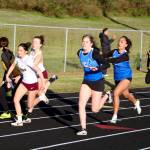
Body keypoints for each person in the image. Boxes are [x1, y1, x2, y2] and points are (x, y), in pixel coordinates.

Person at [76, 34, 110, 135]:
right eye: (83, 41)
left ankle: (107, 95)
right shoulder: (79, 52)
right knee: (81, 104)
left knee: (95, 109)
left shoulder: (94, 53)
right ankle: (83, 129)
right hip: (86, 81)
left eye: (87, 42)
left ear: (91, 44)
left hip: (98, 82)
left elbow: (106, 64)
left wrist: (97, 69)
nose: (84, 43)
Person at [104, 36, 142, 123]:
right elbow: (104, 55)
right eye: (119, 41)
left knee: (116, 93)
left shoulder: (125, 56)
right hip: (117, 79)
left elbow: (116, 60)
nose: (119, 43)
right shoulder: (114, 51)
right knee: (126, 95)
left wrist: (106, 60)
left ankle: (115, 116)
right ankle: (136, 102)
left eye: (122, 42)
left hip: (126, 77)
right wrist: (97, 57)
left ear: (126, 45)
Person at [6, 42, 45, 126]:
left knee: (29, 106)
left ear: (25, 52)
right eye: (18, 50)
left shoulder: (29, 60)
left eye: (20, 50)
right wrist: (7, 75)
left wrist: (43, 82)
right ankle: (19, 121)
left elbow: (38, 70)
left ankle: (40, 98)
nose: (18, 52)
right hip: (24, 83)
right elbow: (12, 66)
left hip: (32, 84)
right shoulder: (17, 58)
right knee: (16, 100)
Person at [0, 37, 21, 119]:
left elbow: (10, 67)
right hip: (12, 75)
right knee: (13, 94)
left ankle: (10, 112)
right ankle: (14, 112)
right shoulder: (8, 52)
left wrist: (8, 80)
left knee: (4, 92)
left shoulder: (4, 54)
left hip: (13, 76)